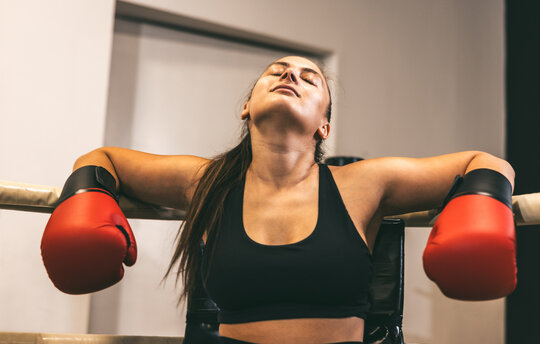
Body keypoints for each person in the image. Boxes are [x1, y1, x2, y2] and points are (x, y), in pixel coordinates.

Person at [41, 56, 515, 344]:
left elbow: (484, 162)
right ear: (247, 107)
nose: (291, 74)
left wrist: (482, 209)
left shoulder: (362, 183)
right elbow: (102, 158)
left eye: (310, 79)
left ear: (324, 126)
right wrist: (86, 198)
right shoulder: (207, 182)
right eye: (277, 71)